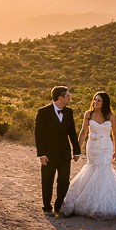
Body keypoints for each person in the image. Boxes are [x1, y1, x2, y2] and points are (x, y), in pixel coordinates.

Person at [59, 91, 116, 220]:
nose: (96, 102)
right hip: (92, 147)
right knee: (92, 168)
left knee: (104, 169)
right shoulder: (88, 115)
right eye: (95, 100)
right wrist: (77, 149)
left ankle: (102, 202)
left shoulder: (111, 116)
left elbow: (115, 134)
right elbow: (83, 132)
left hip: (106, 147)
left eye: (99, 100)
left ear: (104, 102)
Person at [34, 86, 81, 215]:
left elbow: (72, 132)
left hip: (65, 153)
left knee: (64, 180)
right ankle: (47, 207)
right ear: (61, 98)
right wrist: (41, 154)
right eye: (68, 96)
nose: (70, 98)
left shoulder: (69, 112)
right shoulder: (43, 112)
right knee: (47, 180)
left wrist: (76, 151)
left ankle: (58, 206)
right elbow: (39, 134)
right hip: (49, 154)